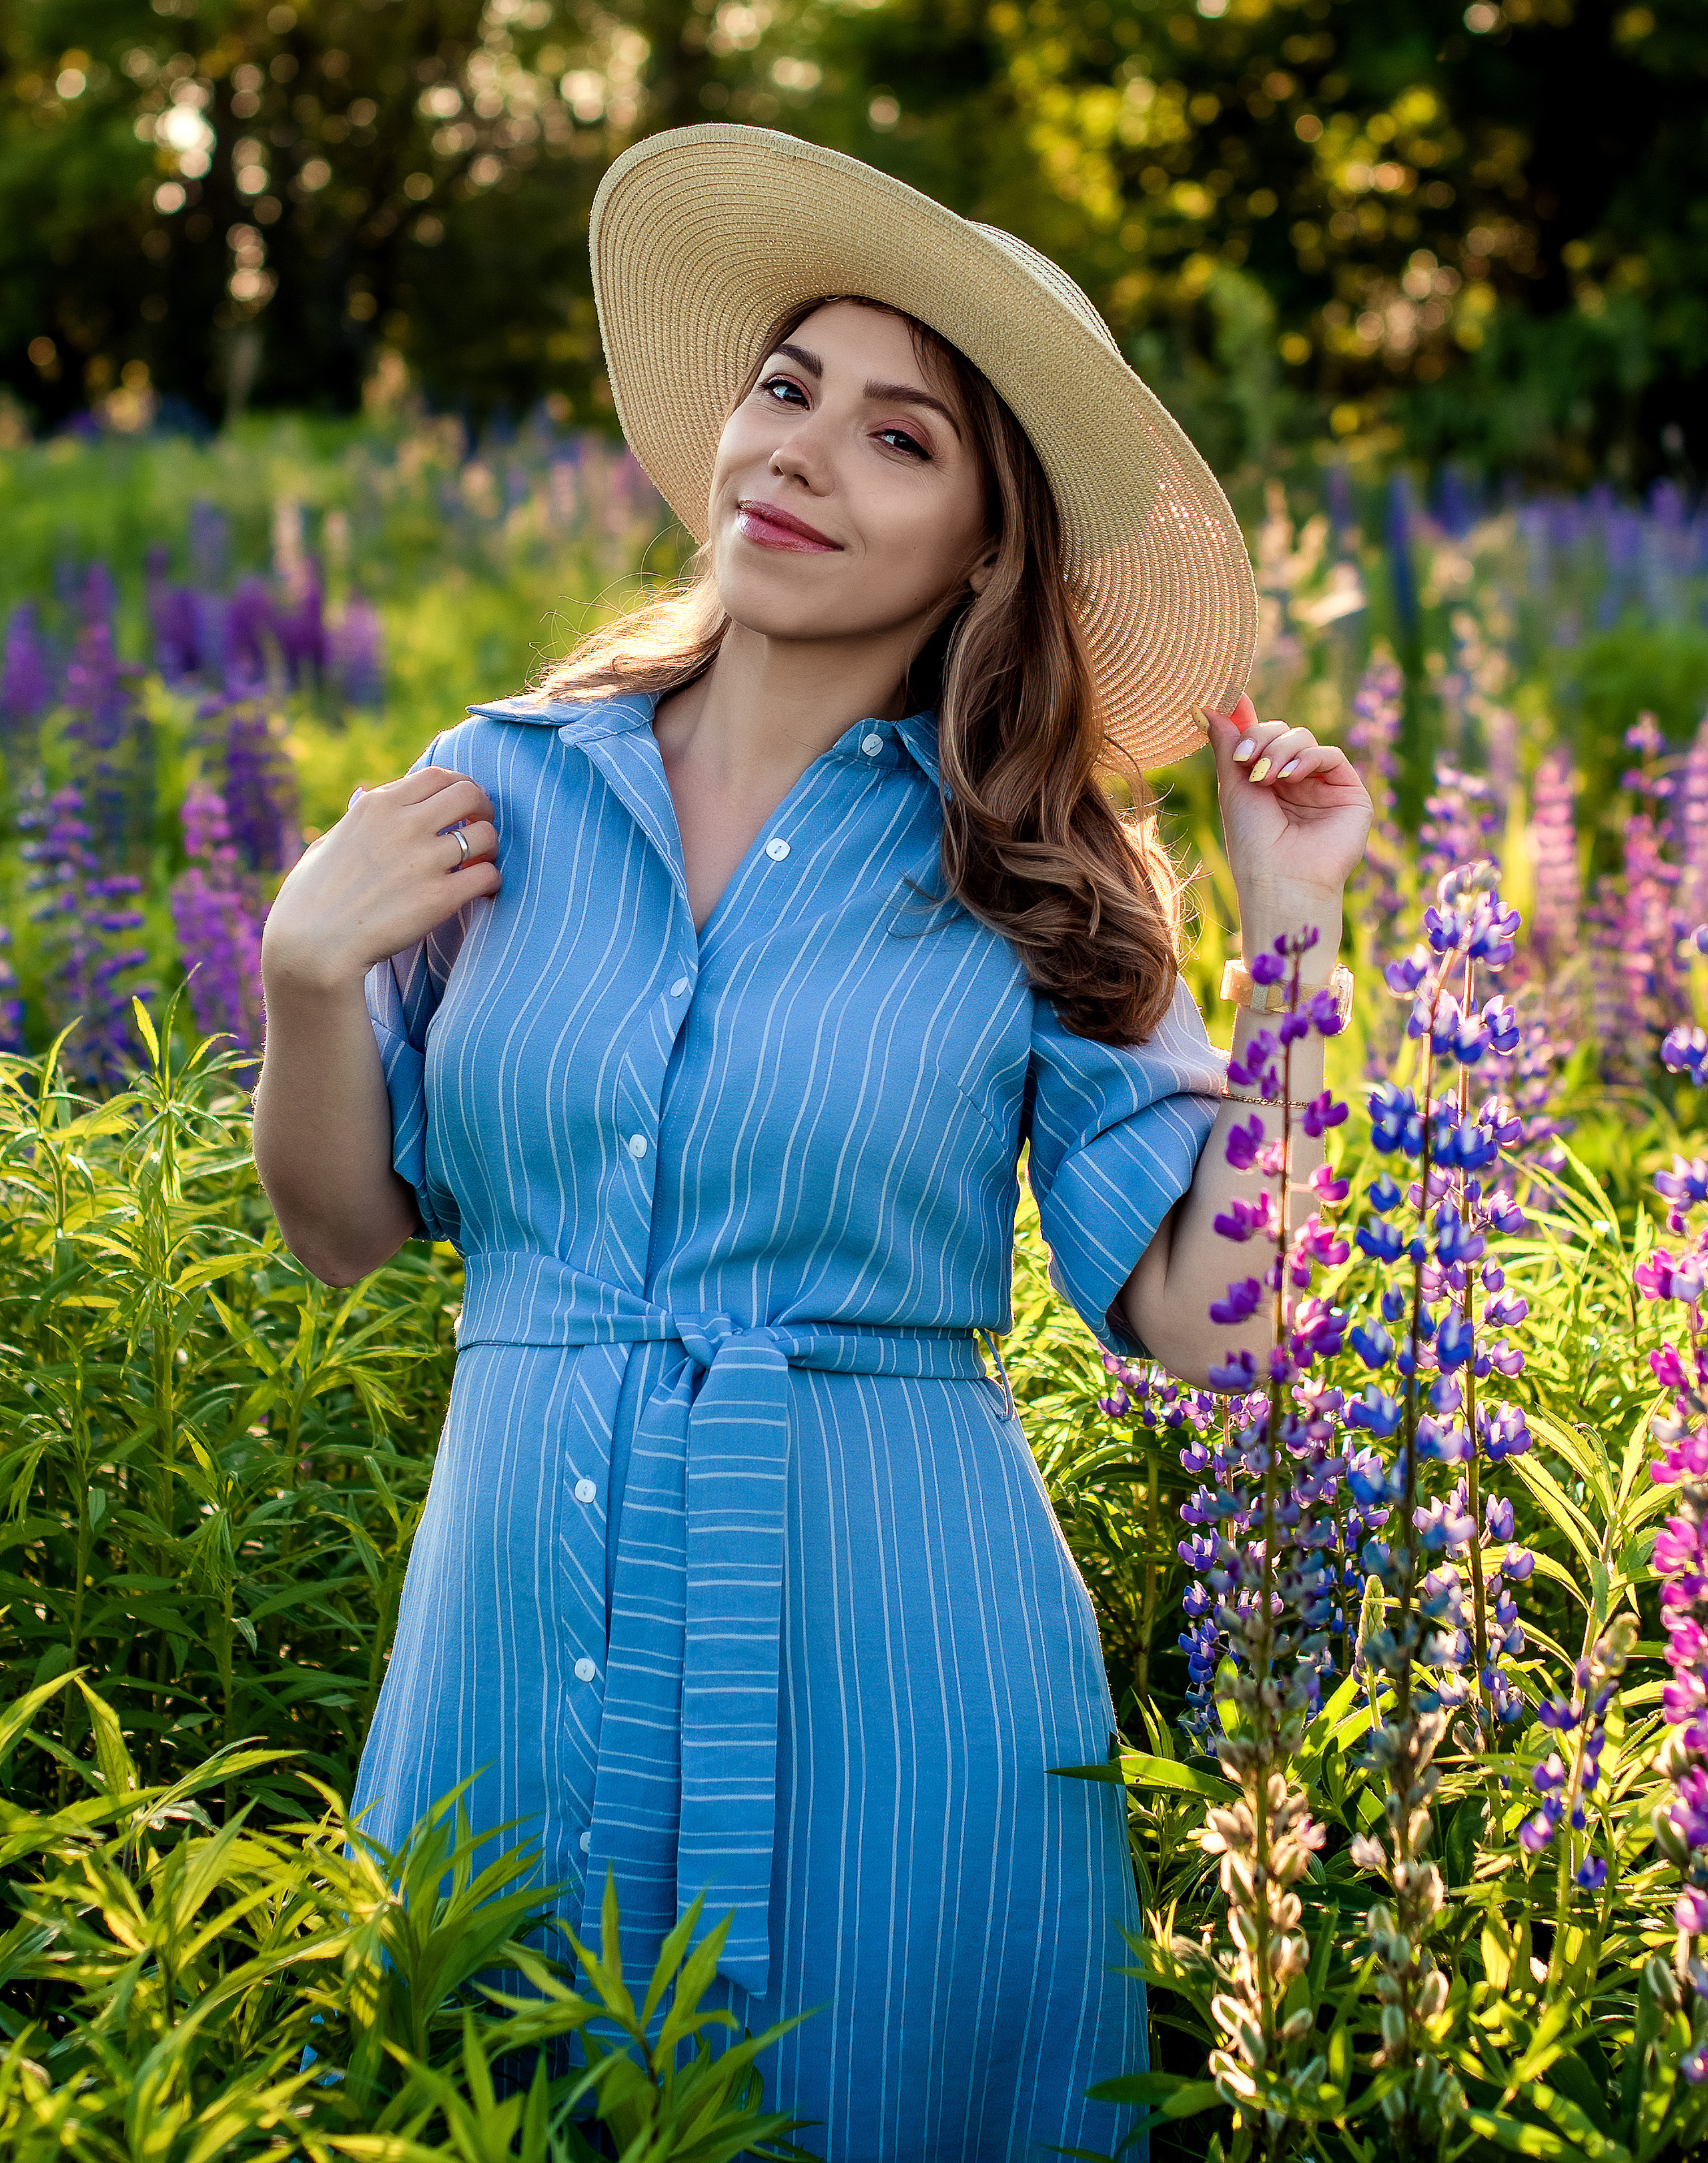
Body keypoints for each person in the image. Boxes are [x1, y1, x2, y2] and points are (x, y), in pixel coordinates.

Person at [254, 125, 1372, 2161]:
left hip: (896, 1671)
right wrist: (307, 977)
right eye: (789, 387)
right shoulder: (499, 788)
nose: (801, 453)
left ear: (987, 548)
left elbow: (1220, 1324)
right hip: (514, 1631)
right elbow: (342, 1230)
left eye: (899, 437)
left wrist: (1292, 936)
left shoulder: (1030, 876)